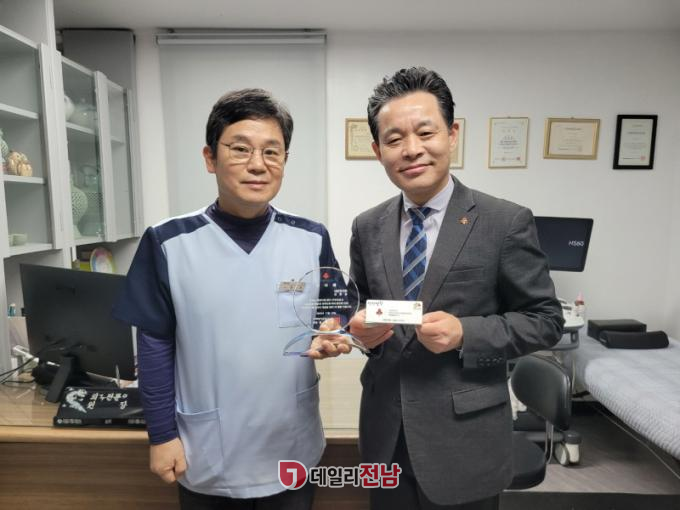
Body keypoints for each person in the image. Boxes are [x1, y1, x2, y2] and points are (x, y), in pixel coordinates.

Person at [113, 88, 348, 509]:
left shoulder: (311, 237)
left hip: (289, 444)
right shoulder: (169, 242)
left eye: (272, 152)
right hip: (208, 447)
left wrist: (334, 330)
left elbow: (334, 310)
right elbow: (154, 345)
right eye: (240, 149)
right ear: (210, 158)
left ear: (285, 161)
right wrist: (161, 435)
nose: (258, 164)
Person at [346, 67, 564, 510]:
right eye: (394, 139)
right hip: (385, 431)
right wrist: (359, 331)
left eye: (425, 132)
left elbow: (545, 321)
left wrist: (466, 332)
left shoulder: (505, 222)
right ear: (378, 150)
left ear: (452, 135)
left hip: (465, 438)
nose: (411, 149)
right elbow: (362, 306)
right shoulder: (367, 226)